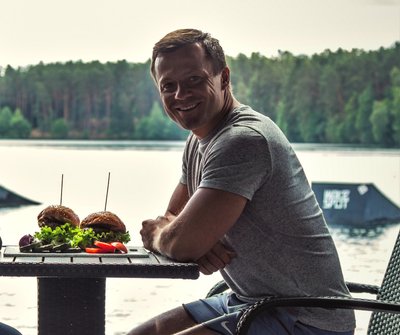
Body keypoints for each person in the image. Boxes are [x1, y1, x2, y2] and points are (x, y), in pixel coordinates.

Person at [128, 29, 356, 335]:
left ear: (223, 78)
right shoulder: (198, 142)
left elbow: (178, 238)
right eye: (169, 86)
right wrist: (183, 238)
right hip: (249, 301)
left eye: (194, 79)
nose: (180, 95)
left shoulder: (243, 140)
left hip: (306, 318)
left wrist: (177, 237)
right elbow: (175, 220)